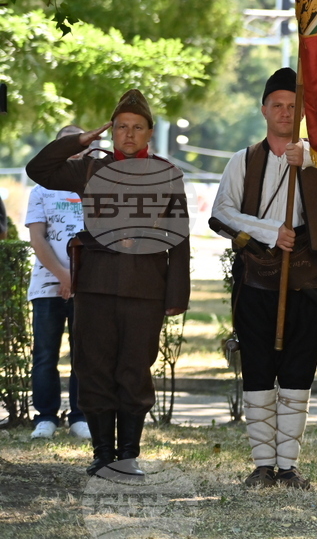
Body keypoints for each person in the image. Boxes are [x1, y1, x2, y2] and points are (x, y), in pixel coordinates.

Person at [212, 67, 317, 489]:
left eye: (291, 106)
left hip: (307, 280)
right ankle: (263, 465)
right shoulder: (242, 160)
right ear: (264, 109)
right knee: (259, 371)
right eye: (277, 105)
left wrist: (315, 156)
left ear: (301, 112)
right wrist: (269, 231)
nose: (284, 112)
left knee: (299, 371)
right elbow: (222, 213)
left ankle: (288, 467)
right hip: (257, 279)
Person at [26, 90, 190, 479]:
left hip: (145, 287)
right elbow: (39, 169)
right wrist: (79, 141)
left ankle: (128, 456)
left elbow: (179, 236)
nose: (128, 135)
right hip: (96, 285)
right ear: (111, 132)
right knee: (94, 369)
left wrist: (176, 293)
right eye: (120, 127)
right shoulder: (90, 169)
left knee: (134, 371)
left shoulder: (167, 172)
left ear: (149, 133)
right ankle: (103, 455)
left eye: (136, 128)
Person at [26, 125, 90, 441]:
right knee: (45, 354)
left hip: (87, 287)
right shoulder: (40, 190)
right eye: (66, 143)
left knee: (84, 354)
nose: (74, 149)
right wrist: (64, 277)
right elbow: (38, 240)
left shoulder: (93, 187)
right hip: (47, 286)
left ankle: (80, 416)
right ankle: (46, 417)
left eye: (78, 143)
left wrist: (77, 281)